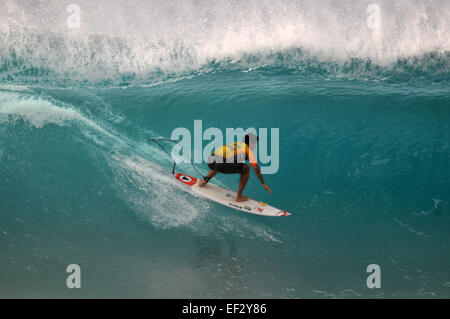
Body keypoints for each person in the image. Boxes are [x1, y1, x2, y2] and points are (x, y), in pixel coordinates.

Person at [198, 133, 272, 202]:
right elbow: (256, 168)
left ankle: (205, 181)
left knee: (221, 162)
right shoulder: (248, 151)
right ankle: (239, 196)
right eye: (255, 144)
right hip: (221, 163)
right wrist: (263, 183)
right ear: (251, 144)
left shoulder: (235, 144)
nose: (255, 146)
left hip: (210, 160)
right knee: (247, 168)